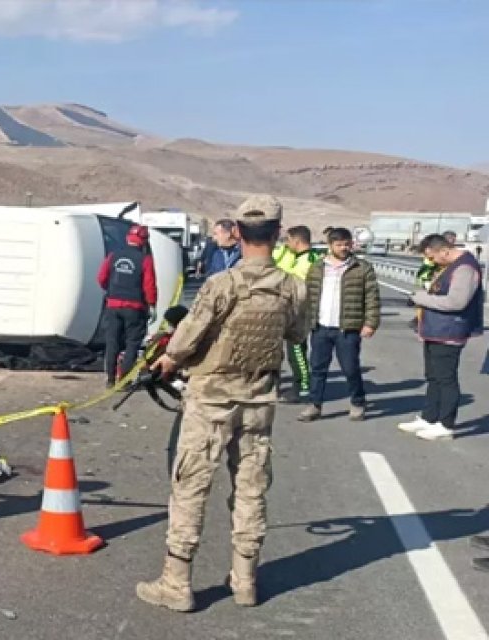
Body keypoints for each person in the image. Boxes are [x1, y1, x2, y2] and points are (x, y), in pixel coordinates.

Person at [137, 195, 307, 612]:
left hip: (212, 398)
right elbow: (299, 335)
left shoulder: (222, 284)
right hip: (258, 401)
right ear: (276, 233)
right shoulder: (293, 287)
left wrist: (166, 361)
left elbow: (186, 338)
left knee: (191, 485)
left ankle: (177, 583)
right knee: (251, 488)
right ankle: (245, 580)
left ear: (240, 233)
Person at [399, 233, 484, 440]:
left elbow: (456, 302)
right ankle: (429, 417)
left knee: (446, 379)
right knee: (433, 377)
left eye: (433, 257)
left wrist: (422, 298)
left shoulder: (465, 268)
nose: (432, 262)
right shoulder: (449, 267)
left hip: (449, 331)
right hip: (434, 330)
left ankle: (446, 424)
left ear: (444, 250)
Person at [299, 228, 381, 422]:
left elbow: (372, 297)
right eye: (339, 244)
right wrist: (304, 321)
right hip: (321, 326)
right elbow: (308, 296)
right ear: (330, 245)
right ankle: (314, 405)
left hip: (347, 328)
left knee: (351, 368)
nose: (344, 248)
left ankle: (358, 402)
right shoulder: (318, 267)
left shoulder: (362, 267)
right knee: (318, 369)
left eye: (347, 244)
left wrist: (370, 323)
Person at [97, 224, 157, 386]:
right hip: (135, 308)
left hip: (113, 306)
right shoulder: (145, 260)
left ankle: (110, 378)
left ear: (127, 238)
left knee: (112, 342)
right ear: (144, 241)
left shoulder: (113, 256)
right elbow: (149, 284)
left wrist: (112, 291)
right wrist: (152, 304)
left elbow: (101, 278)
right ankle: (123, 380)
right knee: (132, 343)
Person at [272, 225, 318, 402]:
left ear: (297, 241)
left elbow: (299, 285)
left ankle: (303, 386)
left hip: (300, 310)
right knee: (289, 350)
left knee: (297, 349)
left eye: (288, 240)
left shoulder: (310, 260)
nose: (286, 243)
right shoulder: (292, 256)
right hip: (286, 308)